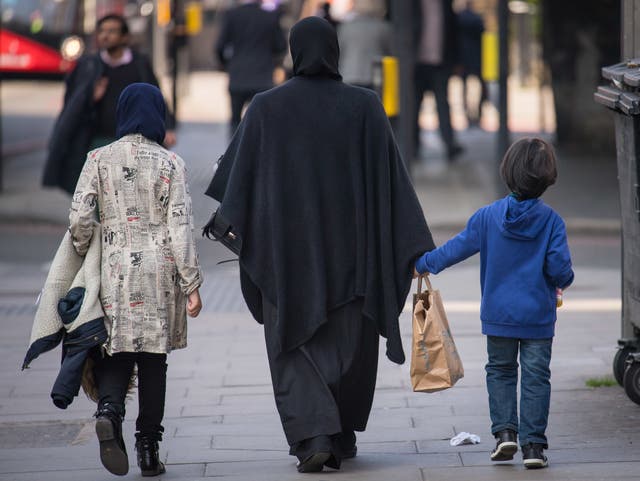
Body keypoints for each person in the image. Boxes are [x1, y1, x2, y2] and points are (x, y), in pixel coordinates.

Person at [205, 17, 434, 473]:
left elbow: (238, 187)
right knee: (349, 347)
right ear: (334, 50)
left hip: (287, 259)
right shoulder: (365, 106)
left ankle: (314, 436)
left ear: (293, 51)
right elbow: (395, 188)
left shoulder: (267, 108)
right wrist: (413, 247)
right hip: (354, 258)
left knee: (293, 342)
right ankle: (339, 432)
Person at [413, 137, 574, 469]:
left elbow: (454, 250)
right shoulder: (552, 222)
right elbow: (560, 270)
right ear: (548, 178)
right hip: (537, 319)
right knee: (536, 376)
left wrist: (422, 264)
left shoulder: (487, 217)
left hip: (499, 316)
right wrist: (562, 280)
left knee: (500, 371)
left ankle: (505, 435)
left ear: (507, 172)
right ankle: (534, 447)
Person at [69, 83, 202, 477]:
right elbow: (180, 228)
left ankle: (109, 411)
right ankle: (148, 447)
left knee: (118, 350)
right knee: (153, 360)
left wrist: (84, 247)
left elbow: (79, 218)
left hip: (113, 272)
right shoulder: (170, 164)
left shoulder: (98, 158)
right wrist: (191, 284)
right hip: (159, 275)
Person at [43, 13, 176, 195]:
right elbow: (72, 105)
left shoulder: (139, 64)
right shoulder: (89, 65)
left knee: (129, 196)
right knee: (96, 195)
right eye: (102, 31)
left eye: (112, 31)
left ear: (125, 37)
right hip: (98, 140)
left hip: (134, 144)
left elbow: (156, 97)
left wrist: (167, 127)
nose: (105, 35)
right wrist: (92, 97)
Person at [215, 0, 287, 137]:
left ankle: (235, 155)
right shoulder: (270, 17)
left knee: (235, 121)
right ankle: (261, 155)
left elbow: (219, 47)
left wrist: (226, 64)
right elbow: (281, 46)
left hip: (238, 76)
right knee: (264, 122)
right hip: (262, 77)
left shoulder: (232, 15)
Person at [412, 0, 463, 161]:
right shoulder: (412, 4)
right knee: (413, 106)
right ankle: (413, 147)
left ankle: (449, 144)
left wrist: (456, 61)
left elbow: (453, 32)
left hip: (440, 63)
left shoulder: (445, 4)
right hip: (417, 63)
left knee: (443, 104)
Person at [337, 0, 392, 90]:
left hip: (348, 75)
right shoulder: (383, 28)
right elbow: (390, 53)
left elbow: (339, 52)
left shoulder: (345, 27)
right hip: (374, 77)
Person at [457, 1, 487, 128]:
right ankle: (477, 114)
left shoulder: (459, 18)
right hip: (476, 57)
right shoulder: (477, 19)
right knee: (480, 87)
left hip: (464, 57)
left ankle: (468, 115)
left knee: (465, 88)